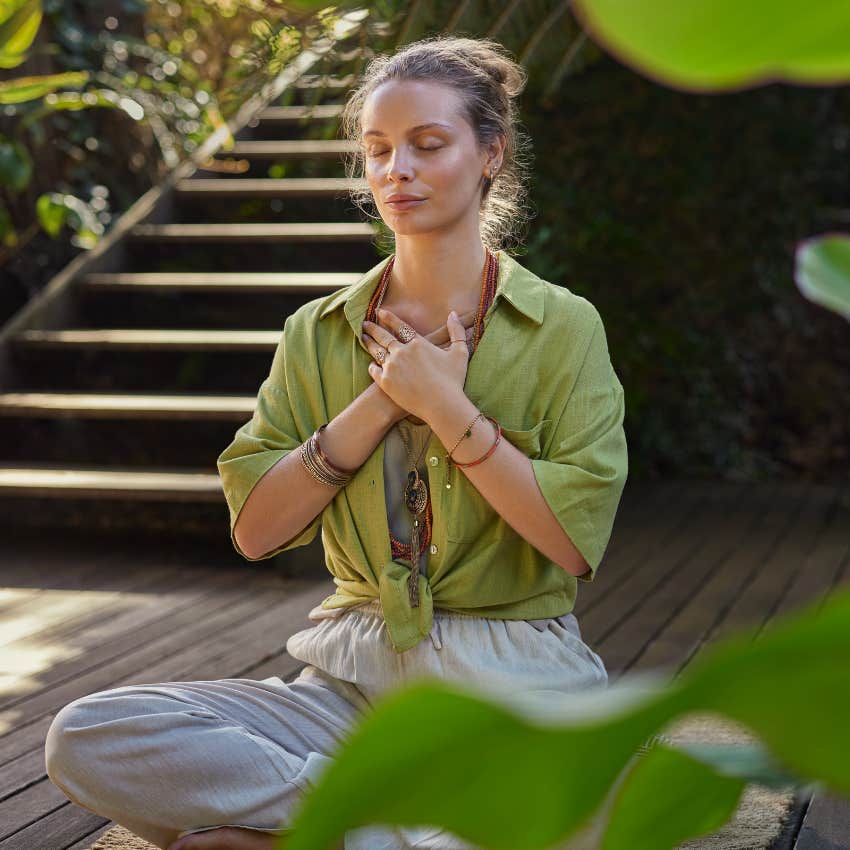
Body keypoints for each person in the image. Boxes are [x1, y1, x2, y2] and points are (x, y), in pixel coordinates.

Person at [44, 34, 628, 850]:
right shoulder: (314, 334)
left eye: (428, 145)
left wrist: (450, 410)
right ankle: (380, 822)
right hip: (347, 691)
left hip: (514, 687)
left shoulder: (562, 327)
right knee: (86, 734)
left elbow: (570, 543)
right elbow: (257, 530)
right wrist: (383, 403)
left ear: (490, 153)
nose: (398, 170)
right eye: (379, 150)